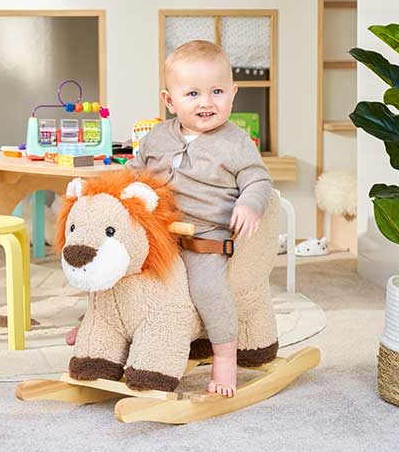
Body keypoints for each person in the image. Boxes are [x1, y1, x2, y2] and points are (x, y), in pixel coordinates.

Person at [66, 40, 272, 398]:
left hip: (202, 236)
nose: (206, 102)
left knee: (206, 287)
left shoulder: (237, 141)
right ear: (169, 100)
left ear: (233, 94)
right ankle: (96, 325)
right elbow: (132, 173)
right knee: (119, 273)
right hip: (156, 229)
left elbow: (258, 178)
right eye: (192, 93)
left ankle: (224, 352)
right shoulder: (158, 137)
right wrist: (101, 189)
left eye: (217, 91)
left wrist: (250, 204)